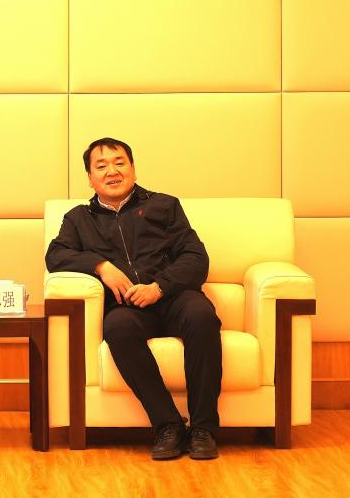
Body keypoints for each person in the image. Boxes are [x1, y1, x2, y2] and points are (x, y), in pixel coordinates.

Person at [45, 137, 222, 461]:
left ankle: (204, 429)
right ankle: (168, 425)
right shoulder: (78, 219)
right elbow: (55, 256)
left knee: (202, 316)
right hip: (127, 305)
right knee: (118, 328)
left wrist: (159, 287)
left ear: (133, 168)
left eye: (119, 162)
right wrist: (100, 265)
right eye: (101, 166)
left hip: (173, 296)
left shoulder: (164, 206)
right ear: (90, 178)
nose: (111, 171)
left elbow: (196, 257)